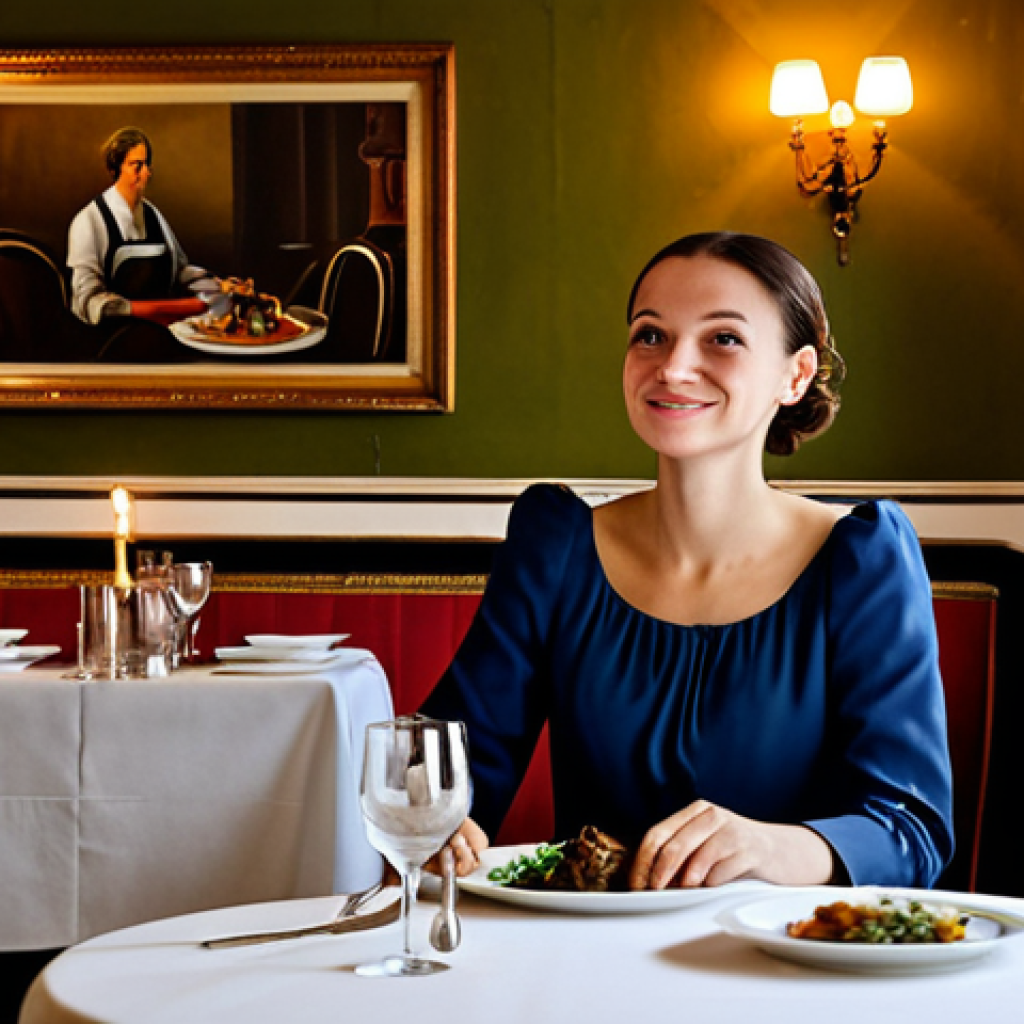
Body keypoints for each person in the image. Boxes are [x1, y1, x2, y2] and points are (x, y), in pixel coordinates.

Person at [422, 231, 954, 891]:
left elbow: (910, 830)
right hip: (585, 961)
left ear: (796, 375)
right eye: (650, 335)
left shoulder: (862, 557)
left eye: (723, 338)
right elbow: (443, 769)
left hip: (796, 966)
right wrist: (438, 818)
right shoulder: (555, 545)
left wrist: (773, 849)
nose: (672, 367)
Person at [67, 127, 214, 325]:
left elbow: (179, 271)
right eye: (136, 165)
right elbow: (86, 302)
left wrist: (218, 286)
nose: (146, 172)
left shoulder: (154, 215)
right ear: (115, 168)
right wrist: (154, 309)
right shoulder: (89, 221)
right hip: (112, 337)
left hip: (161, 330)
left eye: (146, 165)